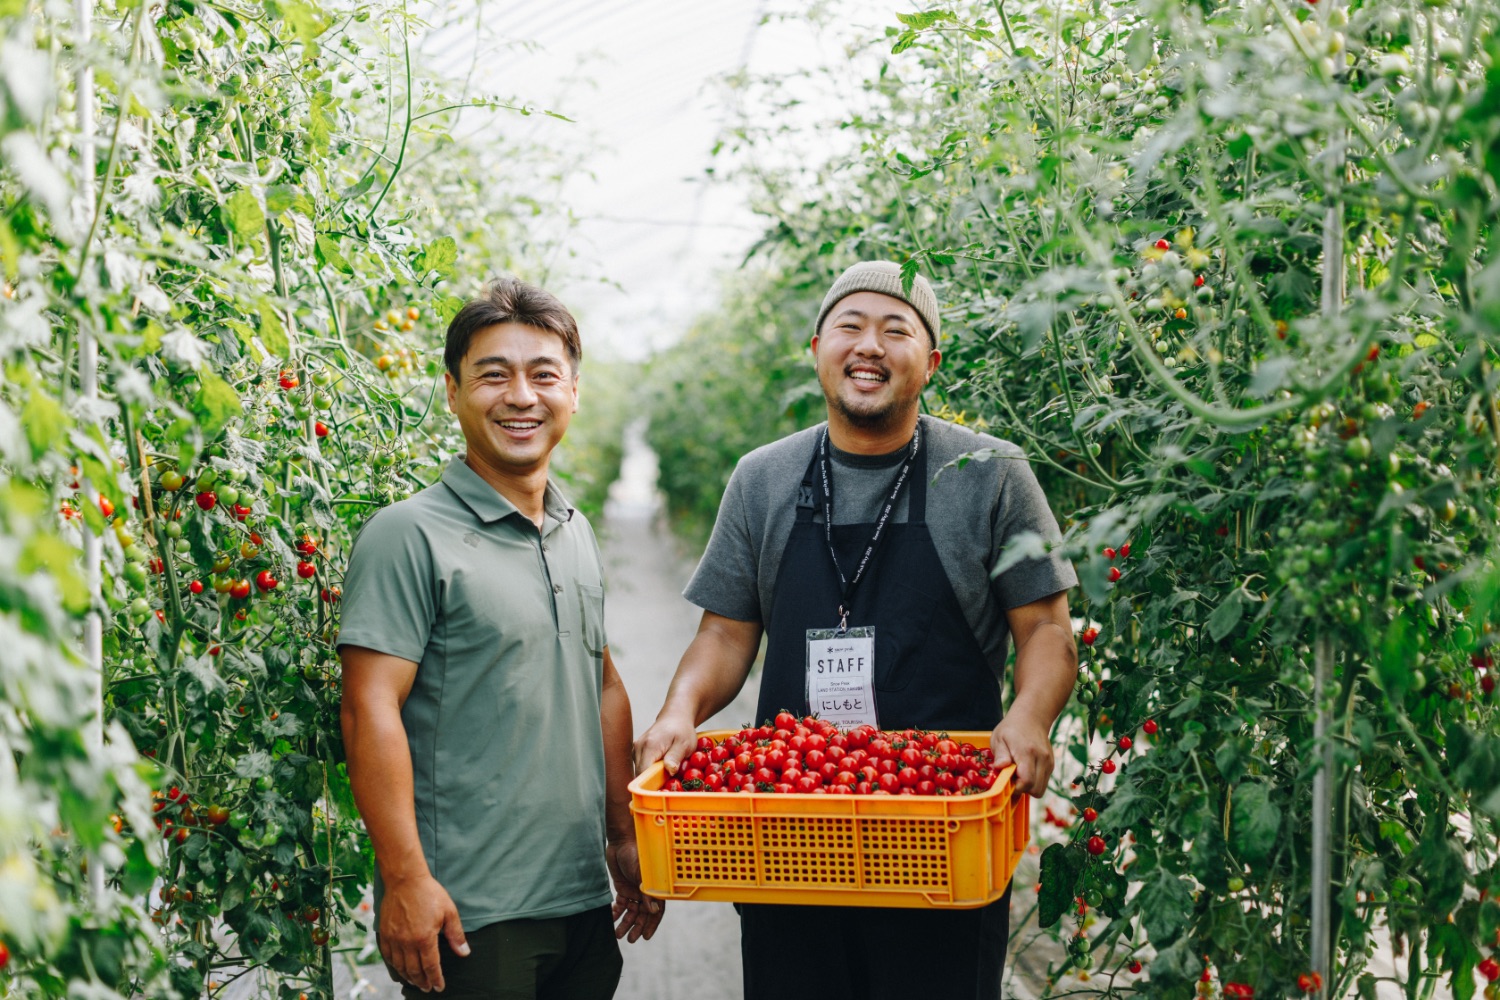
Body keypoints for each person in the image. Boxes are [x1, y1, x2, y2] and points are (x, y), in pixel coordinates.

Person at [634, 260, 1078, 999]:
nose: (869, 346)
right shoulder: (763, 479)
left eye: (895, 330)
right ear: (816, 349)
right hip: (790, 832)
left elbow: (1047, 631)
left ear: (929, 363)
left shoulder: (990, 475)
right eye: (851, 326)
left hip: (941, 833)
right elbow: (724, 635)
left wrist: (1030, 716)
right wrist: (679, 711)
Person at [339, 277, 662, 1000]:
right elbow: (369, 709)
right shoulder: (407, 535)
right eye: (494, 375)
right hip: (470, 916)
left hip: (580, 902)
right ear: (452, 392)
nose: (521, 396)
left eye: (543, 375)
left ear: (573, 393)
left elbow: (601, 684)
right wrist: (405, 879)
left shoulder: (573, 531)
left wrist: (622, 839)